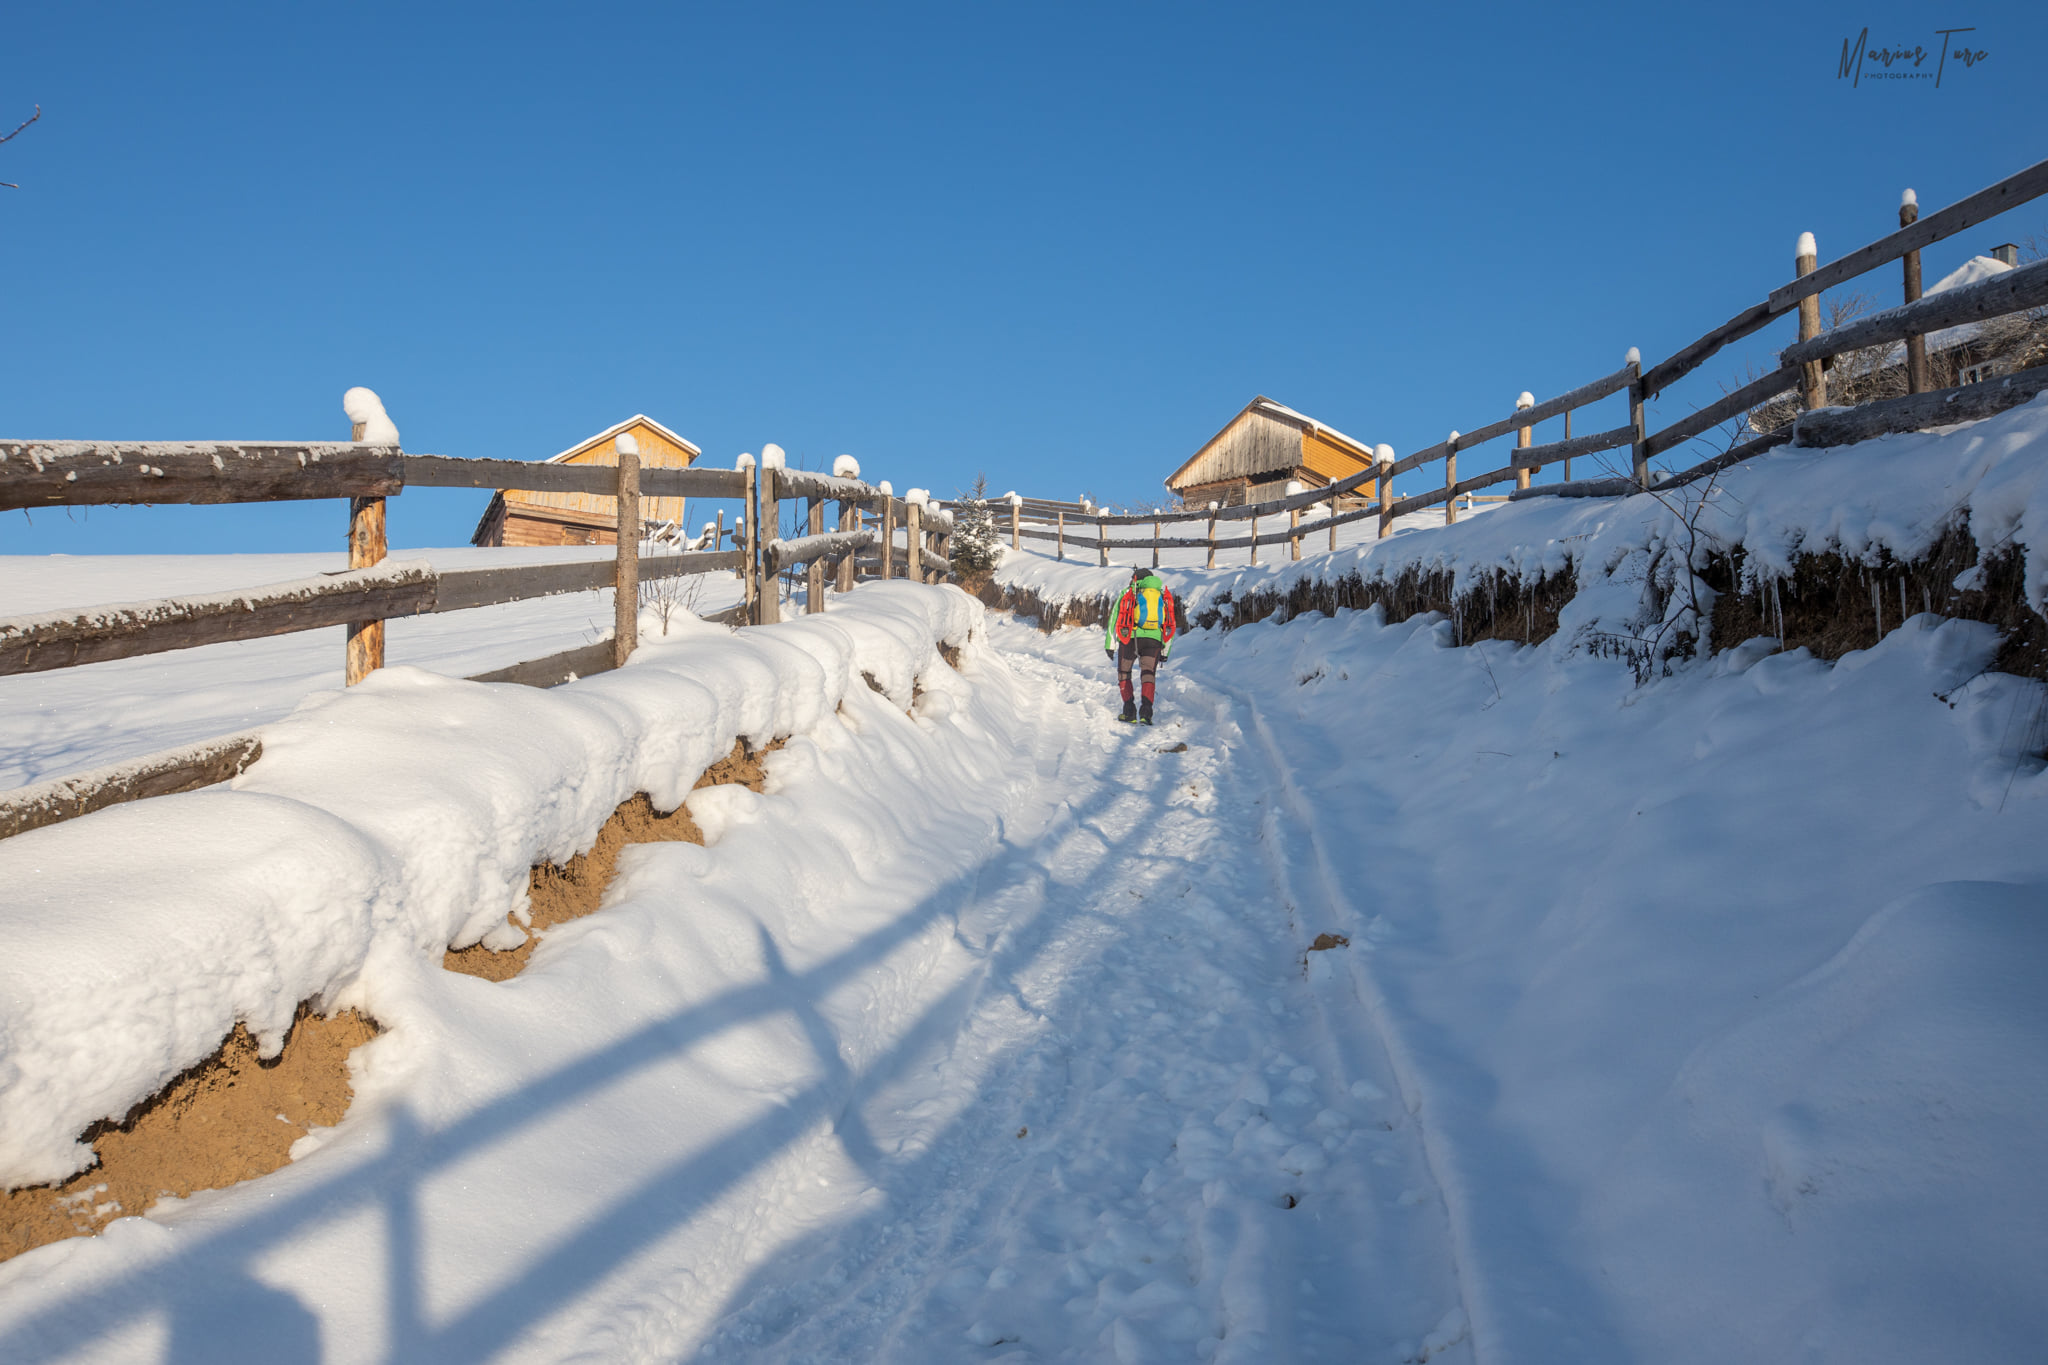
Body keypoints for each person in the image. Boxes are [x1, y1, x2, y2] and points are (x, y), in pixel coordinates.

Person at [1104, 566, 1179, 724]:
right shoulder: (1163, 595)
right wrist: (1165, 650)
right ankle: (1146, 714)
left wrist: (1110, 645)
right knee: (1148, 675)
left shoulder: (1128, 593)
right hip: (1154, 639)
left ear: (1136, 579)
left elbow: (1114, 619)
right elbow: (1170, 623)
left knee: (1124, 673)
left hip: (1130, 637)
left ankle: (1129, 712)